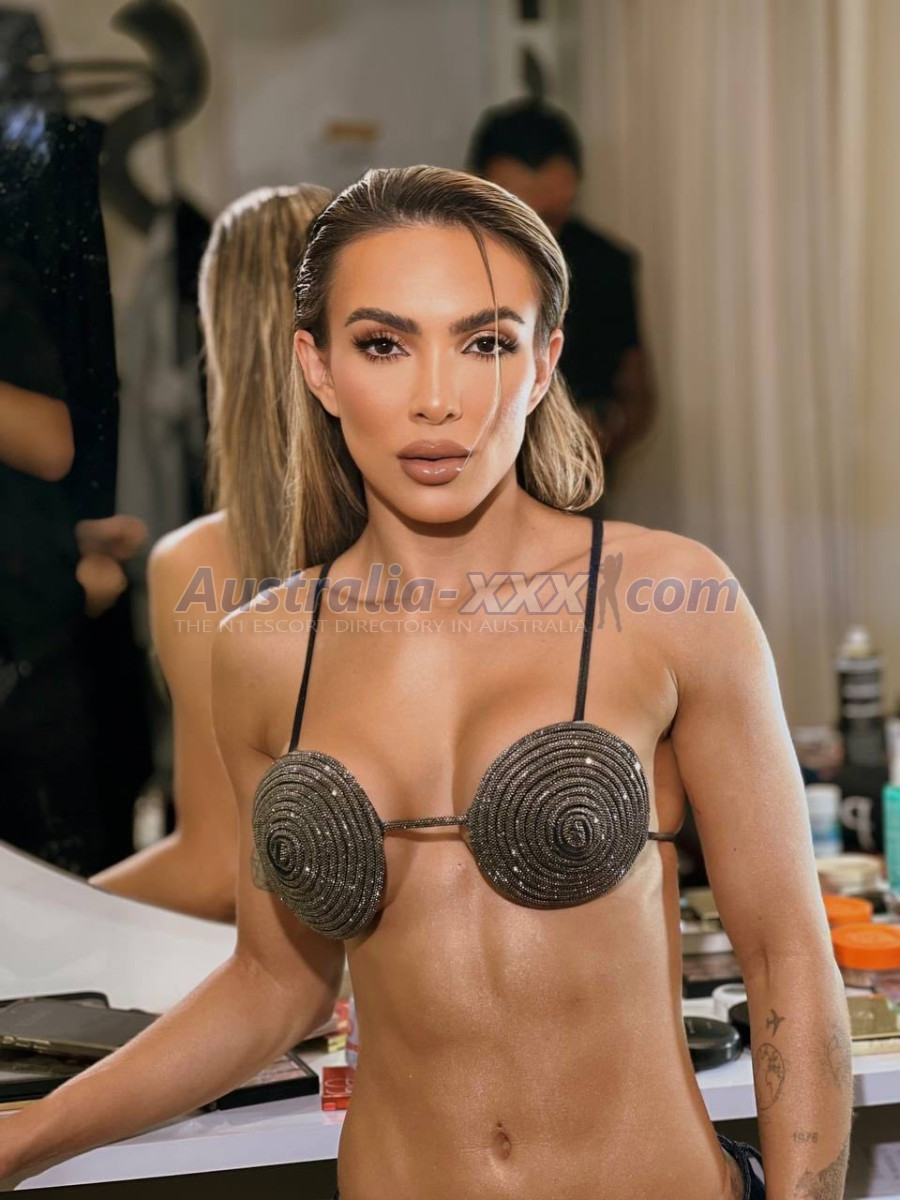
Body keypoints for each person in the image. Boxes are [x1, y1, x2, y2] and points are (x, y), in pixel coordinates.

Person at [0, 166, 851, 1200]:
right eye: (383, 344)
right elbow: (272, 987)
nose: (436, 398)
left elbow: (787, 958)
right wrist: (22, 1140)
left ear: (542, 364)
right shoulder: (263, 650)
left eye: (484, 342)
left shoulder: (669, 601)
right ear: (317, 367)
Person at [88, 184, 333, 921]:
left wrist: (52, 914)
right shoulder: (453, 525)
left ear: (219, 334)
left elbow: (218, 866)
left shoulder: (202, 563)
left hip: (321, 968)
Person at [468, 98, 655, 499]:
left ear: (574, 186)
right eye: (519, 213)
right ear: (480, 185)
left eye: (550, 216)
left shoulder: (606, 263)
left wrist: (598, 437)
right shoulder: (448, 262)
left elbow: (638, 391)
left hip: (573, 481)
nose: (538, 235)